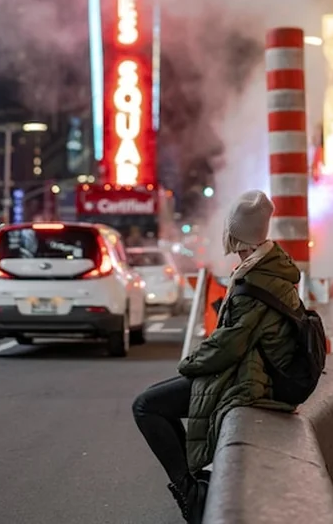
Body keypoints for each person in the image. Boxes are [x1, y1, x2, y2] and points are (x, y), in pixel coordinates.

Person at [132, 190, 302, 524]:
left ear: (238, 236)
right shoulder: (271, 268)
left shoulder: (256, 280)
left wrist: (188, 365)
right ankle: (195, 489)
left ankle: (194, 497)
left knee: (146, 406)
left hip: (250, 380)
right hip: (255, 371)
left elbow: (228, 345)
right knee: (158, 400)